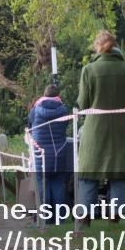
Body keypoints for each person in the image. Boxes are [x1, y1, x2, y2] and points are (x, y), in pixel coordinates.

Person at [76, 31, 125, 225]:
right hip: (121, 129)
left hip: (95, 129)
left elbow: (83, 104)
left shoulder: (89, 70)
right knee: (118, 174)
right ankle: (115, 217)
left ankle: (85, 217)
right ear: (115, 45)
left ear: (98, 47)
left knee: (89, 174)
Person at [27, 84, 72, 224]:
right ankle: (60, 219)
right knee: (58, 184)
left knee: (42, 185)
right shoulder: (64, 110)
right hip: (59, 154)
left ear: (44, 95)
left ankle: (44, 218)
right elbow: (66, 126)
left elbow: (30, 126)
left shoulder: (35, 110)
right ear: (58, 96)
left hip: (41, 155)